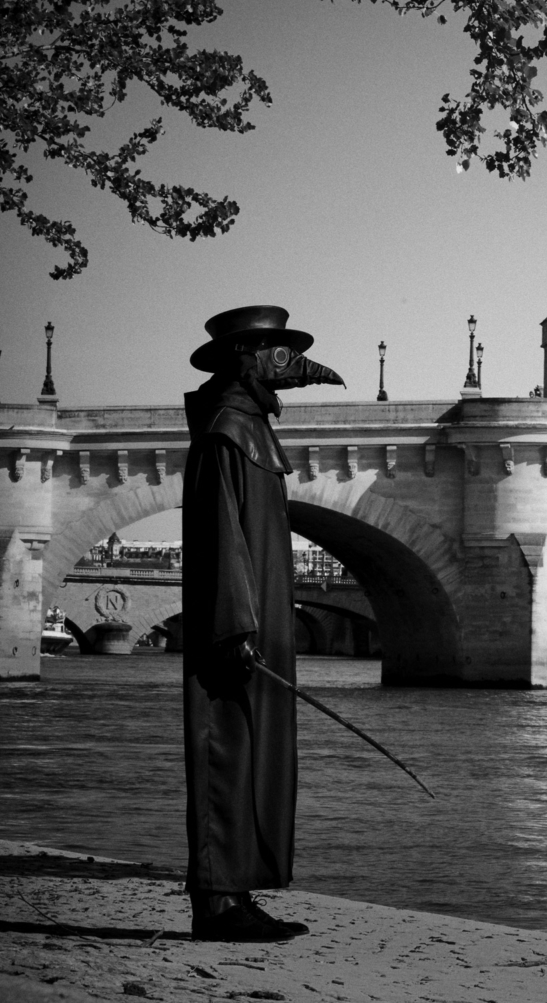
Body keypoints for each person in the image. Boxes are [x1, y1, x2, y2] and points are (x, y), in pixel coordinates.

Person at [182, 306, 343, 942]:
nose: (292, 367)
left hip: (259, 624)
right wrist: (235, 629)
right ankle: (218, 903)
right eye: (278, 355)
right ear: (245, 359)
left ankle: (238, 892)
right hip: (239, 633)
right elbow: (224, 538)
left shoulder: (246, 429)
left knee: (257, 758)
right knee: (228, 752)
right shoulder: (227, 432)